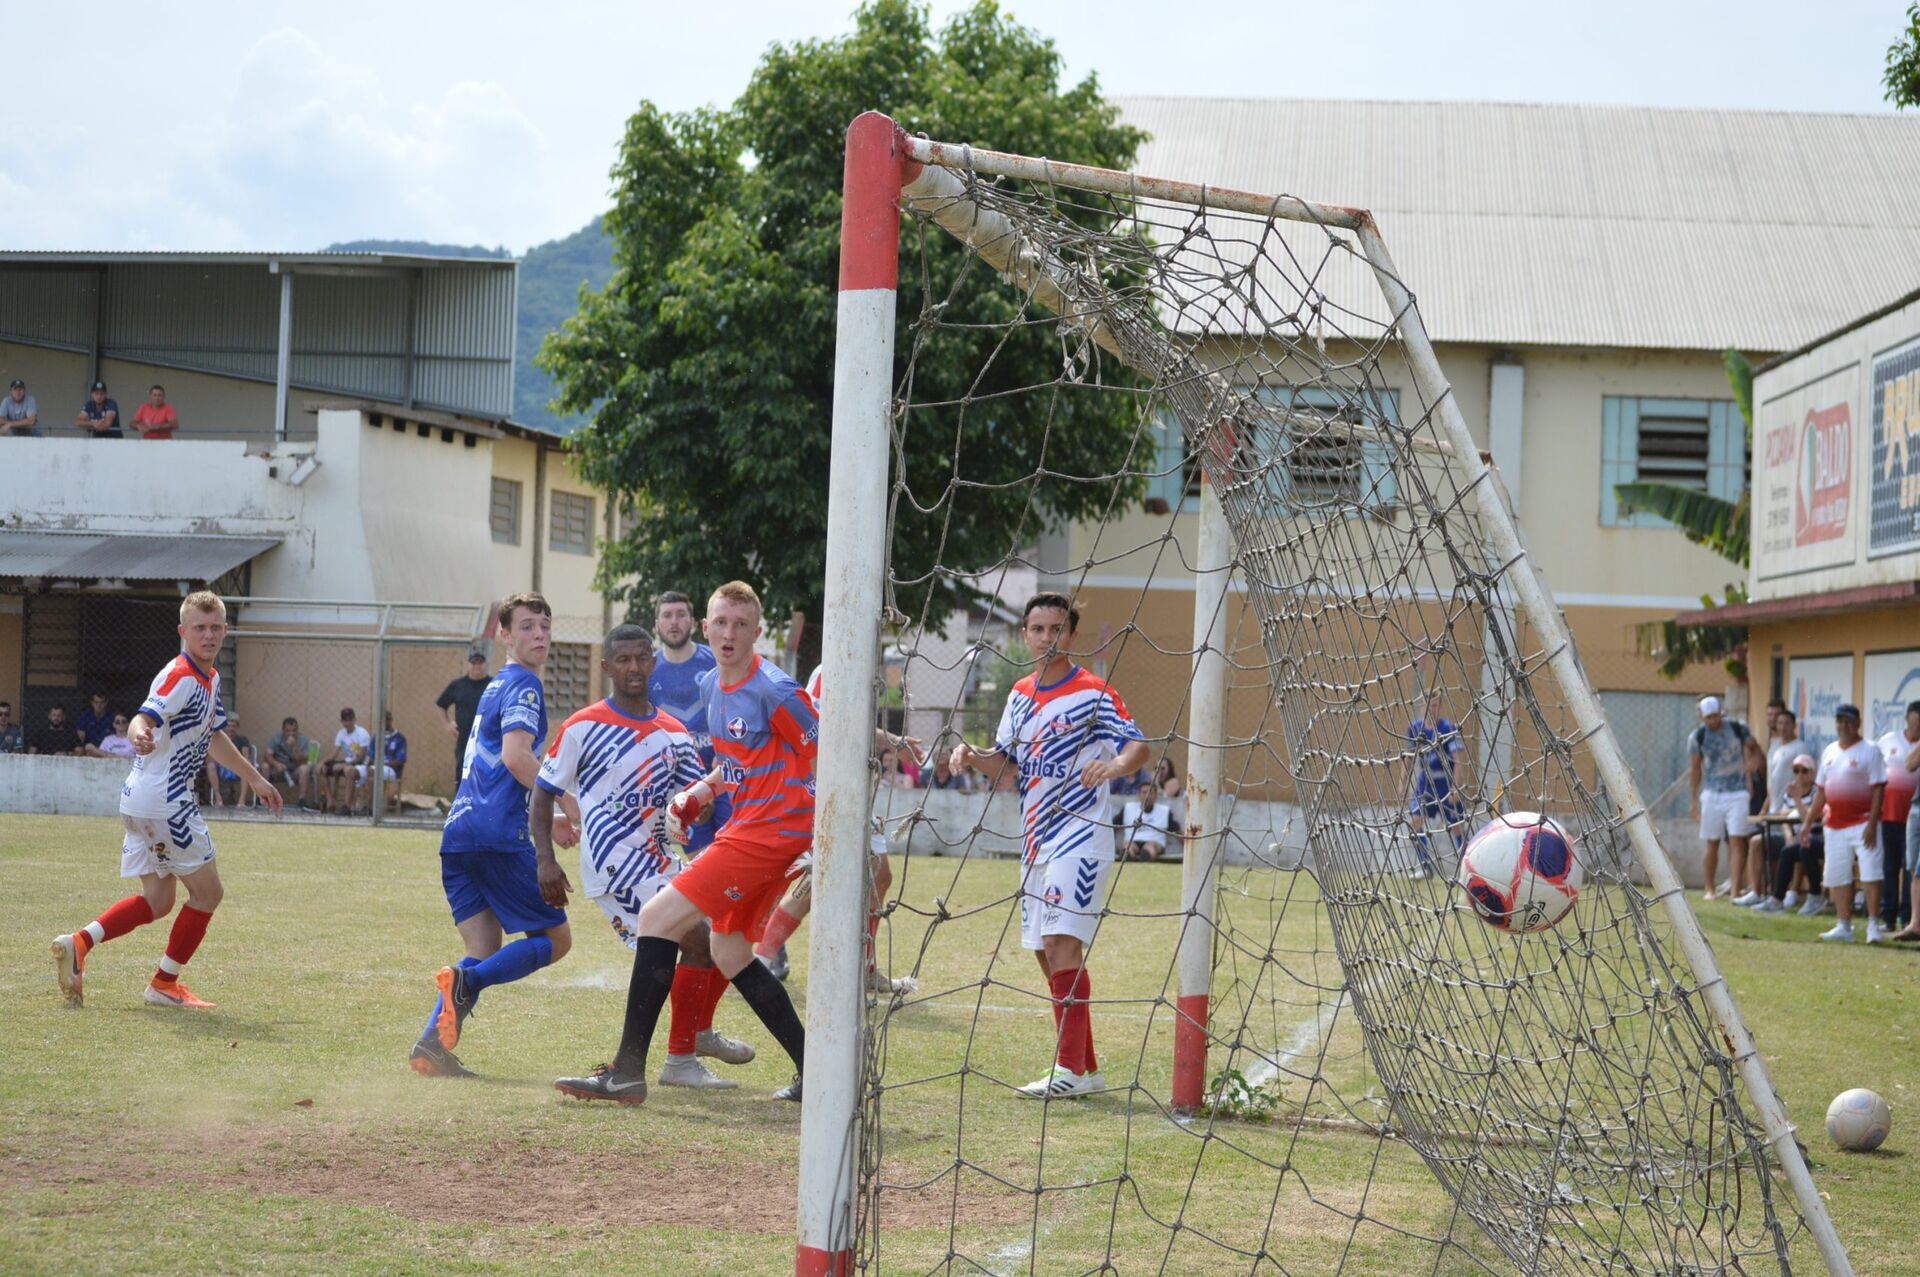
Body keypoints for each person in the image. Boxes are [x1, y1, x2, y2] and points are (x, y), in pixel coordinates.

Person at [553, 581, 815, 1105]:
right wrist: (698, 792)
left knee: (657, 919)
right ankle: (817, 1069)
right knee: (729, 949)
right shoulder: (712, 688)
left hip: (766, 838)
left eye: (741, 625)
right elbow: (733, 766)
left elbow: (827, 756)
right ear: (705, 629)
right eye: (721, 623)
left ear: (758, 632)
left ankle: (627, 1073)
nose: (729, 634)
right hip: (748, 831)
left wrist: (820, 838)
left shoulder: (778, 691)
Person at [531, 624, 755, 1090]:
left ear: (653, 662)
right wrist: (545, 860)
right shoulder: (583, 726)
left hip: (661, 861)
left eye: (641, 659)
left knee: (720, 934)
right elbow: (542, 793)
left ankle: (691, 1043)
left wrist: (691, 804)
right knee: (695, 939)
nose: (634, 668)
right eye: (624, 660)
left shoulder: (674, 733)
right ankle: (680, 1057)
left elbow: (700, 796)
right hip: (616, 869)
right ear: (607, 667)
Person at [950, 593, 1150, 1099]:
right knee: (1044, 952)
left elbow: (1139, 744)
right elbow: (1010, 768)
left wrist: (1116, 766)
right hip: (1035, 840)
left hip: (1081, 837)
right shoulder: (1018, 694)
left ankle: (1066, 1072)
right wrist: (974, 757)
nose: (1046, 637)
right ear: (1025, 633)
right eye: (1037, 628)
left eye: (1056, 629)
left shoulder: (1094, 692)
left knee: (1064, 944)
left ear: (1072, 635)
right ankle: (1087, 1068)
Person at [50, 592, 282, 1009]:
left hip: (139, 801)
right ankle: (163, 984)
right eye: (200, 628)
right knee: (208, 894)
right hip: (167, 802)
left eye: (215, 627)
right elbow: (146, 714)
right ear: (183, 632)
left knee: (158, 901)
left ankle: (79, 943)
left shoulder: (209, 679)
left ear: (226, 630)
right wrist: (137, 731)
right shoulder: (181, 675)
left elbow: (214, 736)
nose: (208, 635)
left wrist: (257, 779)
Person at [411, 593, 573, 1078]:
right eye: (526, 627)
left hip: (459, 833)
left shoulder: (496, 685)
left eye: (545, 625)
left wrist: (545, 818)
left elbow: (495, 773)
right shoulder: (523, 684)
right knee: (556, 939)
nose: (539, 635)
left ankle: (429, 1047)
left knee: (482, 943)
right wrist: (566, 800)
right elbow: (517, 758)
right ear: (503, 635)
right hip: (495, 836)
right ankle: (465, 982)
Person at [751, 662, 919, 994]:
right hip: (830, 785)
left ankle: (866, 968)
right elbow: (823, 726)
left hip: (854, 785)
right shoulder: (839, 664)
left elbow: (853, 726)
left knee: (879, 874)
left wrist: (890, 742)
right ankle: (762, 959)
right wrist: (892, 741)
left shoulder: (868, 665)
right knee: (819, 877)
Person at [645, 590, 726, 854]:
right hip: (681, 784)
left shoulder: (716, 662)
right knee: (701, 863)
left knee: (737, 858)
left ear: (693, 622)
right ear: (657, 624)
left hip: (724, 777)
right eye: (667, 616)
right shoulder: (647, 670)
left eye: (681, 615)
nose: (674, 622)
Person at [1803, 703, 1886, 944]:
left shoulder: (1870, 750)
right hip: (1835, 826)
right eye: (1839, 721)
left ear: (1858, 724)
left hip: (1863, 823)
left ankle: (1873, 926)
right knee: (1837, 876)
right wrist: (1809, 822)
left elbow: (1879, 789)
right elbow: (1821, 792)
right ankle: (1843, 925)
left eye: (1848, 721)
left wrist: (1872, 823)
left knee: (1871, 873)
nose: (1843, 725)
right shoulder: (1829, 751)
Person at [1688, 696, 1763, 902]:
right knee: (1712, 841)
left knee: (1737, 839)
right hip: (1712, 792)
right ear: (1702, 717)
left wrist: (1753, 763)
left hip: (1737, 791)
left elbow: (1754, 746)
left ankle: (1735, 889)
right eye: (1708, 718)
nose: (1712, 721)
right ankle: (1709, 888)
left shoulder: (1738, 727)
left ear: (1720, 713)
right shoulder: (1698, 736)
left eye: (1714, 716)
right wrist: (1694, 799)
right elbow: (1695, 769)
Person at [1405, 694, 1470, 880]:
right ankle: (1425, 866)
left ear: (1439, 707)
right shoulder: (1415, 728)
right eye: (1427, 705)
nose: (1430, 709)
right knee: (1414, 822)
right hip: (1425, 785)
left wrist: (1456, 788)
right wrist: (1403, 782)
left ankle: (1467, 869)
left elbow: (1459, 760)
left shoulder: (1448, 728)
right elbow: (1408, 758)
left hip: (1445, 784)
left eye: (1434, 705)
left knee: (1457, 827)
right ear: (1421, 706)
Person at [1753, 753, 1823, 915]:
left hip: (1815, 835)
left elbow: (1809, 818)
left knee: (1805, 847)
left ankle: (1815, 895)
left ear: (1812, 773)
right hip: (1796, 835)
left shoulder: (1816, 793)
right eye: (1796, 771)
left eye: (1804, 771)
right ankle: (1775, 898)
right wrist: (1789, 837)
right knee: (1785, 851)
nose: (1799, 775)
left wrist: (1798, 800)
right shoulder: (1790, 791)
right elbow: (1785, 818)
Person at [1875, 701, 1920, 937]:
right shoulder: (1888, 740)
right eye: (1914, 723)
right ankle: (1888, 915)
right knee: (1890, 867)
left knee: (1911, 869)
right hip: (1890, 814)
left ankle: (1908, 917)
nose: (1916, 728)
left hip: (1911, 814)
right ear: (1906, 719)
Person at [436, 650, 491, 778]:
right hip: (464, 741)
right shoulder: (458, 685)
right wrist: (447, 725)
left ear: (486, 665)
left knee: (485, 778)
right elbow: (441, 705)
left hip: (488, 740)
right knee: (463, 776)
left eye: (480, 663)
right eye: (473, 663)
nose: (476, 666)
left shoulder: (493, 685)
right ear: (467, 665)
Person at [324, 708, 373, 814]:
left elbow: (362, 756)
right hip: (347, 763)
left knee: (348, 770)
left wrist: (344, 765)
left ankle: (346, 806)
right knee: (321, 769)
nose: (347, 723)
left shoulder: (362, 733)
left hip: (362, 765)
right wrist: (321, 762)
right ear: (341, 721)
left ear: (355, 720)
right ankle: (331, 800)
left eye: (350, 720)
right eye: (345, 720)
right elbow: (333, 754)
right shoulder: (341, 733)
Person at [204, 714, 259, 807]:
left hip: (237, 768)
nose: (231, 729)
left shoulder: (242, 740)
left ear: (237, 727)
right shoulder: (218, 740)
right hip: (221, 768)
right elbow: (211, 757)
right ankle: (218, 799)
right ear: (225, 727)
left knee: (246, 766)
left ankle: (241, 801)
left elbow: (245, 757)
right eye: (228, 726)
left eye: (233, 726)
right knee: (210, 765)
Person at [266, 717, 319, 810]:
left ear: (297, 730)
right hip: (278, 770)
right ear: (283, 730)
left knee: (305, 768)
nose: (291, 733)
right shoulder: (276, 738)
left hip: (295, 771)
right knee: (264, 766)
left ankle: (301, 800)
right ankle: (264, 798)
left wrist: (294, 747)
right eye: (288, 731)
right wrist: (276, 764)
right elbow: (267, 755)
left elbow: (304, 761)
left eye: (294, 731)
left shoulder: (303, 740)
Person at [1121, 780, 1173, 861]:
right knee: (1127, 847)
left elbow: (1178, 830)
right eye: (1144, 792)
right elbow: (1112, 826)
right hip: (1132, 841)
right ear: (1139, 795)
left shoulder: (1164, 811)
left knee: (1150, 848)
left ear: (1156, 796)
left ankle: (1146, 857)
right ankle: (1128, 858)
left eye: (1151, 792)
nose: (1147, 796)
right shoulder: (1128, 808)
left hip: (1154, 843)